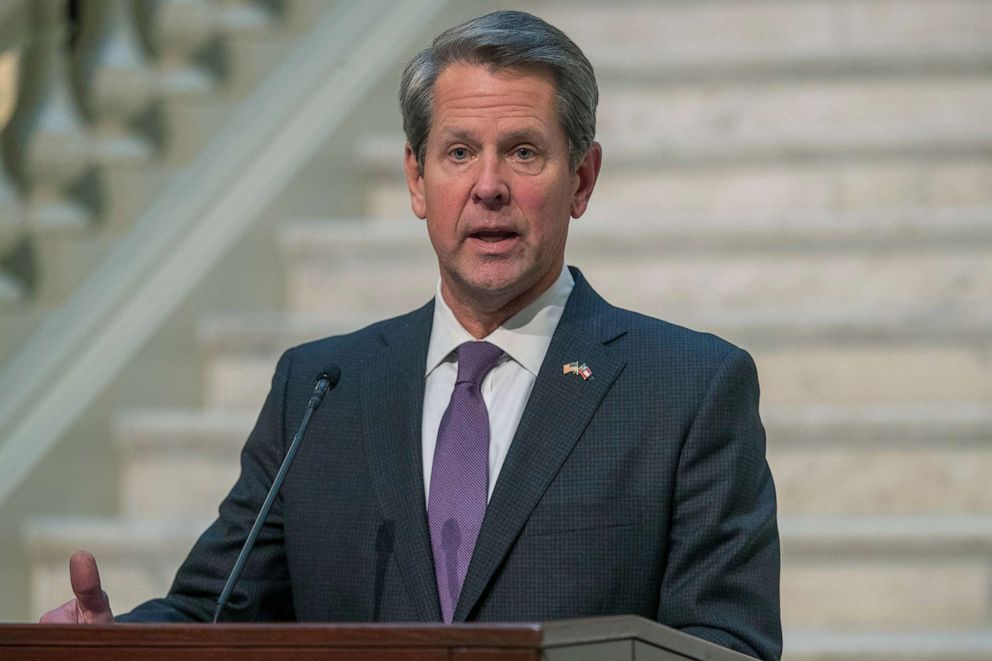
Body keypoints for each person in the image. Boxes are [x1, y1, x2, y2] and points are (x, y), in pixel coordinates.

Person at [41, 10, 781, 660]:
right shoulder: (321, 389)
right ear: (417, 181)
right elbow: (215, 610)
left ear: (581, 179)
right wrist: (115, 638)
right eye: (459, 152)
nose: (488, 184)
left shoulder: (685, 388)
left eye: (523, 152)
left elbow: (725, 644)